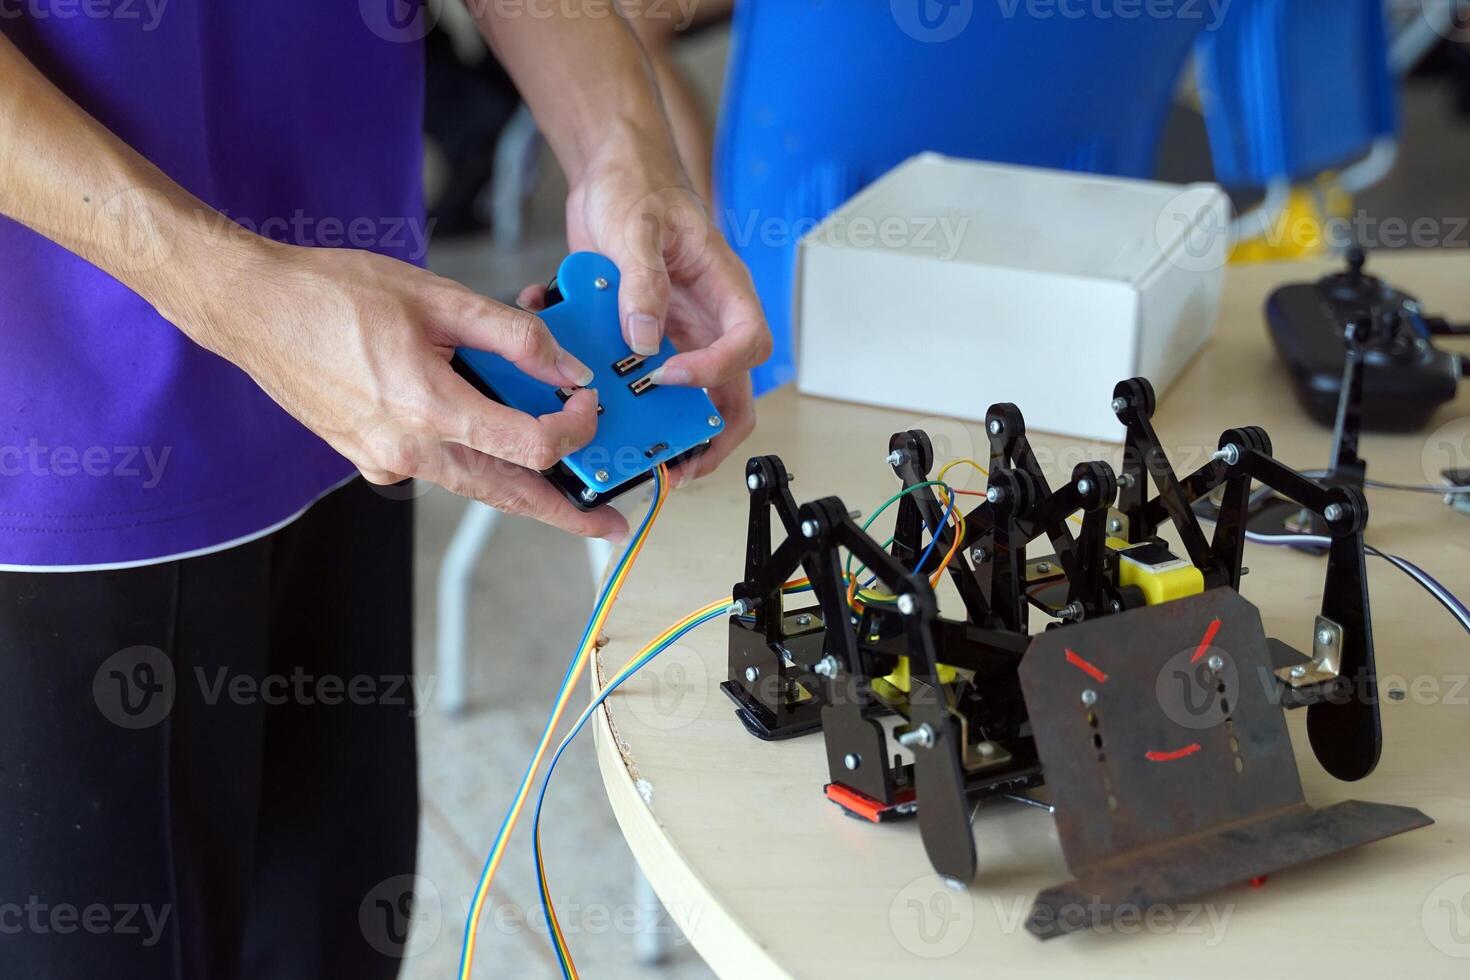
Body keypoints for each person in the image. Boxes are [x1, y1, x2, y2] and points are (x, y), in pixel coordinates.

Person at [0, 4, 769, 978]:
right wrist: (241, 295)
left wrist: (622, 150)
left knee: (336, 933)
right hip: (57, 451)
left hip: (368, 376)